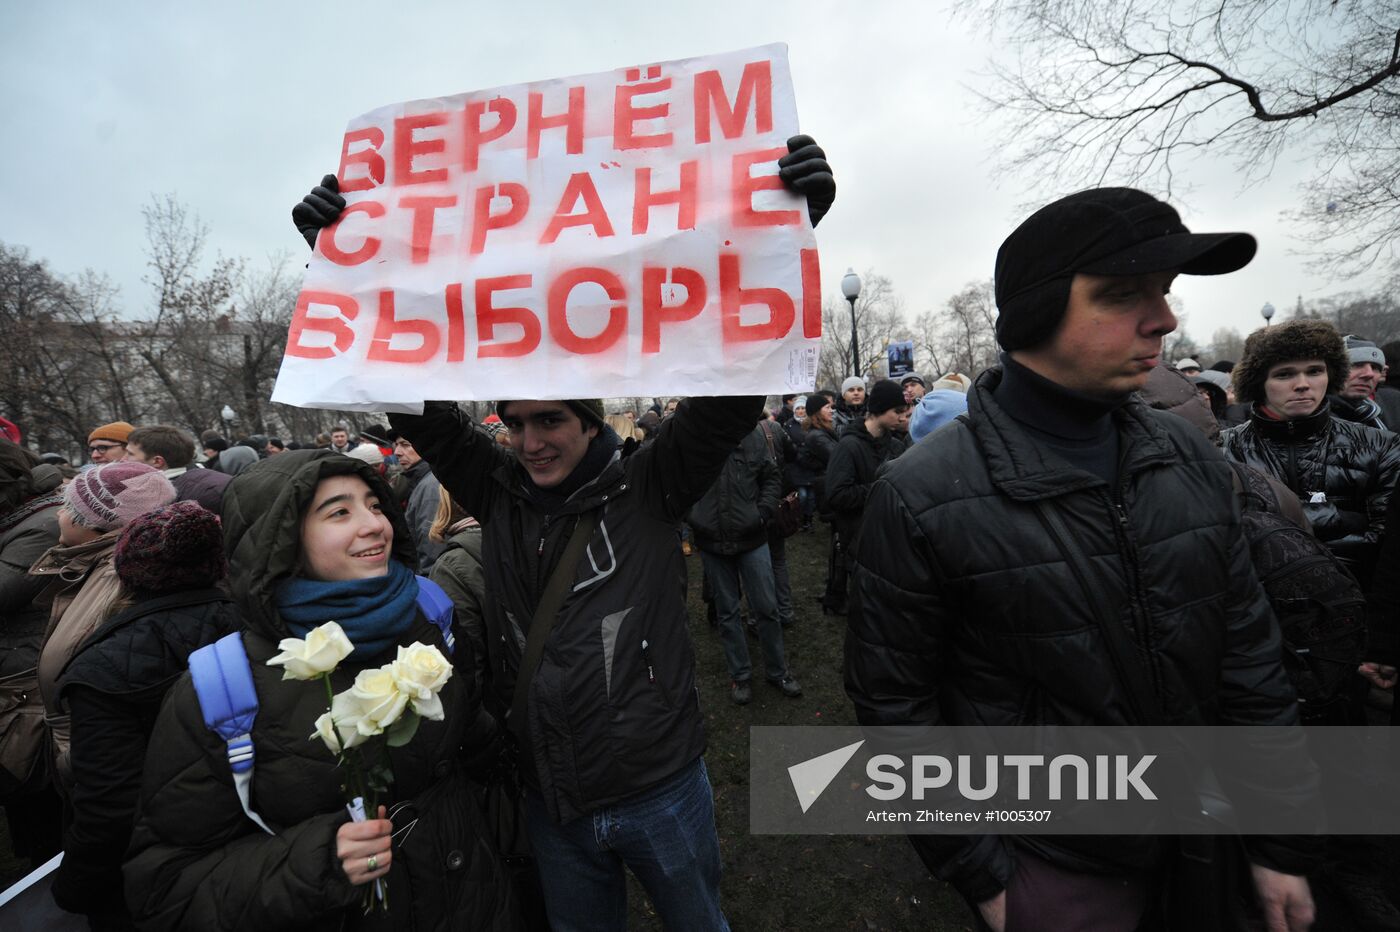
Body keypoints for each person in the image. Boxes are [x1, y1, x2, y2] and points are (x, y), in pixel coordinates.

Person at [296, 133, 834, 929]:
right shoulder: (499, 487)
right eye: (514, 424)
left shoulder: (654, 481)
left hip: (660, 786)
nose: (529, 441)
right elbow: (421, 411)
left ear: (591, 422)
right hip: (554, 797)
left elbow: (731, 393)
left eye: (549, 421)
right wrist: (339, 260)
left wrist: (788, 232)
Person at [846, 187, 1318, 932]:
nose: (1164, 317)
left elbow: (1249, 663)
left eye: (1163, 292)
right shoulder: (918, 495)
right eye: (1124, 293)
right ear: (1036, 312)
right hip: (1054, 865)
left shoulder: (1191, 459)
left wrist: (1278, 834)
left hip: (1204, 848)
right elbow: (896, 709)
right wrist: (987, 874)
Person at [123, 450, 515, 930]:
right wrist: (320, 860)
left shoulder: (428, 613)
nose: (375, 524)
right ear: (282, 539)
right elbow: (165, 886)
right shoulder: (223, 687)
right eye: (339, 512)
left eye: (375, 505)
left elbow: (469, 742)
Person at [51, 502, 239, 929]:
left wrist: (76, 886)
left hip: (147, 880)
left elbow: (110, 806)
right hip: (243, 855)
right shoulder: (257, 628)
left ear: (128, 571)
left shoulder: (102, 667)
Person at [31, 462, 178, 796]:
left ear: (98, 524)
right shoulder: (97, 564)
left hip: (89, 751)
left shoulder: (116, 578)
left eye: (69, 508)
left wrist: (70, 758)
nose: (58, 515)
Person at [1222, 319, 1400, 588]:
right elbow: (1222, 540)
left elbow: (1384, 544)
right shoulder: (1222, 449)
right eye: (1284, 374)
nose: (1303, 384)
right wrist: (1340, 518)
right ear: (1260, 382)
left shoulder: (1380, 445)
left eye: (1315, 371)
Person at [691, 422, 801, 704]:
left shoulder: (751, 434)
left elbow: (771, 475)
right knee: (727, 613)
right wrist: (695, 517)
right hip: (712, 541)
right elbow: (678, 481)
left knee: (766, 607)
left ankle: (778, 671)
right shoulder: (693, 436)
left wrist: (762, 512)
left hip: (752, 538)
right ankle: (740, 675)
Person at [0, 440, 65, 866]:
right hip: (18, 669)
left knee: (33, 790)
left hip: (25, 678)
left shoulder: (39, 524)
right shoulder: (18, 516)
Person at [825, 378, 910, 554]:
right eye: (897, 411)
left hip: (892, 535)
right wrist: (882, 489)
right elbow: (837, 495)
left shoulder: (896, 445)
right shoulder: (848, 446)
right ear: (879, 409)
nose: (903, 418)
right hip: (860, 539)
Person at [127, 425, 233, 514]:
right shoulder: (196, 481)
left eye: (130, 454)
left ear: (157, 461)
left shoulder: (175, 499)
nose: (124, 459)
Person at [1330, 335, 1391, 431]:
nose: (1369, 374)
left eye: (1375, 367)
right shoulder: (1315, 420)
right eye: (1356, 365)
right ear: (1331, 371)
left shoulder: (1379, 412)